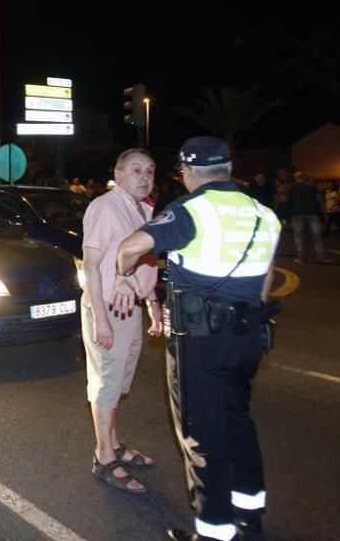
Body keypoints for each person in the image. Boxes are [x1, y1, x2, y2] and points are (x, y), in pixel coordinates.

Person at [115, 136, 281, 541]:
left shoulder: (192, 209)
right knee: (238, 422)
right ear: (228, 168)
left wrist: (123, 273)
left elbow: (132, 245)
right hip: (248, 338)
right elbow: (266, 283)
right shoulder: (264, 214)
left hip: (201, 341)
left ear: (188, 173)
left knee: (202, 435)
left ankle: (214, 531)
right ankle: (250, 516)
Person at [81, 148, 161, 495]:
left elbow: (145, 262)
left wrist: (153, 302)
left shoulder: (143, 209)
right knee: (107, 383)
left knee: (120, 382)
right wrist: (100, 319)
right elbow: (91, 264)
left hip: (132, 309)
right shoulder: (105, 207)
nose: (144, 177)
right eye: (136, 170)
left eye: (150, 170)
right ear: (118, 173)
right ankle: (104, 457)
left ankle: (114, 443)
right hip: (108, 310)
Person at [286, 171, 327, 262]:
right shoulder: (312, 186)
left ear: (295, 178)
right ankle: (320, 255)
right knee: (317, 235)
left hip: (297, 213)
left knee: (298, 236)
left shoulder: (292, 187)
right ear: (304, 177)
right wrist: (324, 212)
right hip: (311, 212)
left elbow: (286, 200)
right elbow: (319, 199)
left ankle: (301, 256)